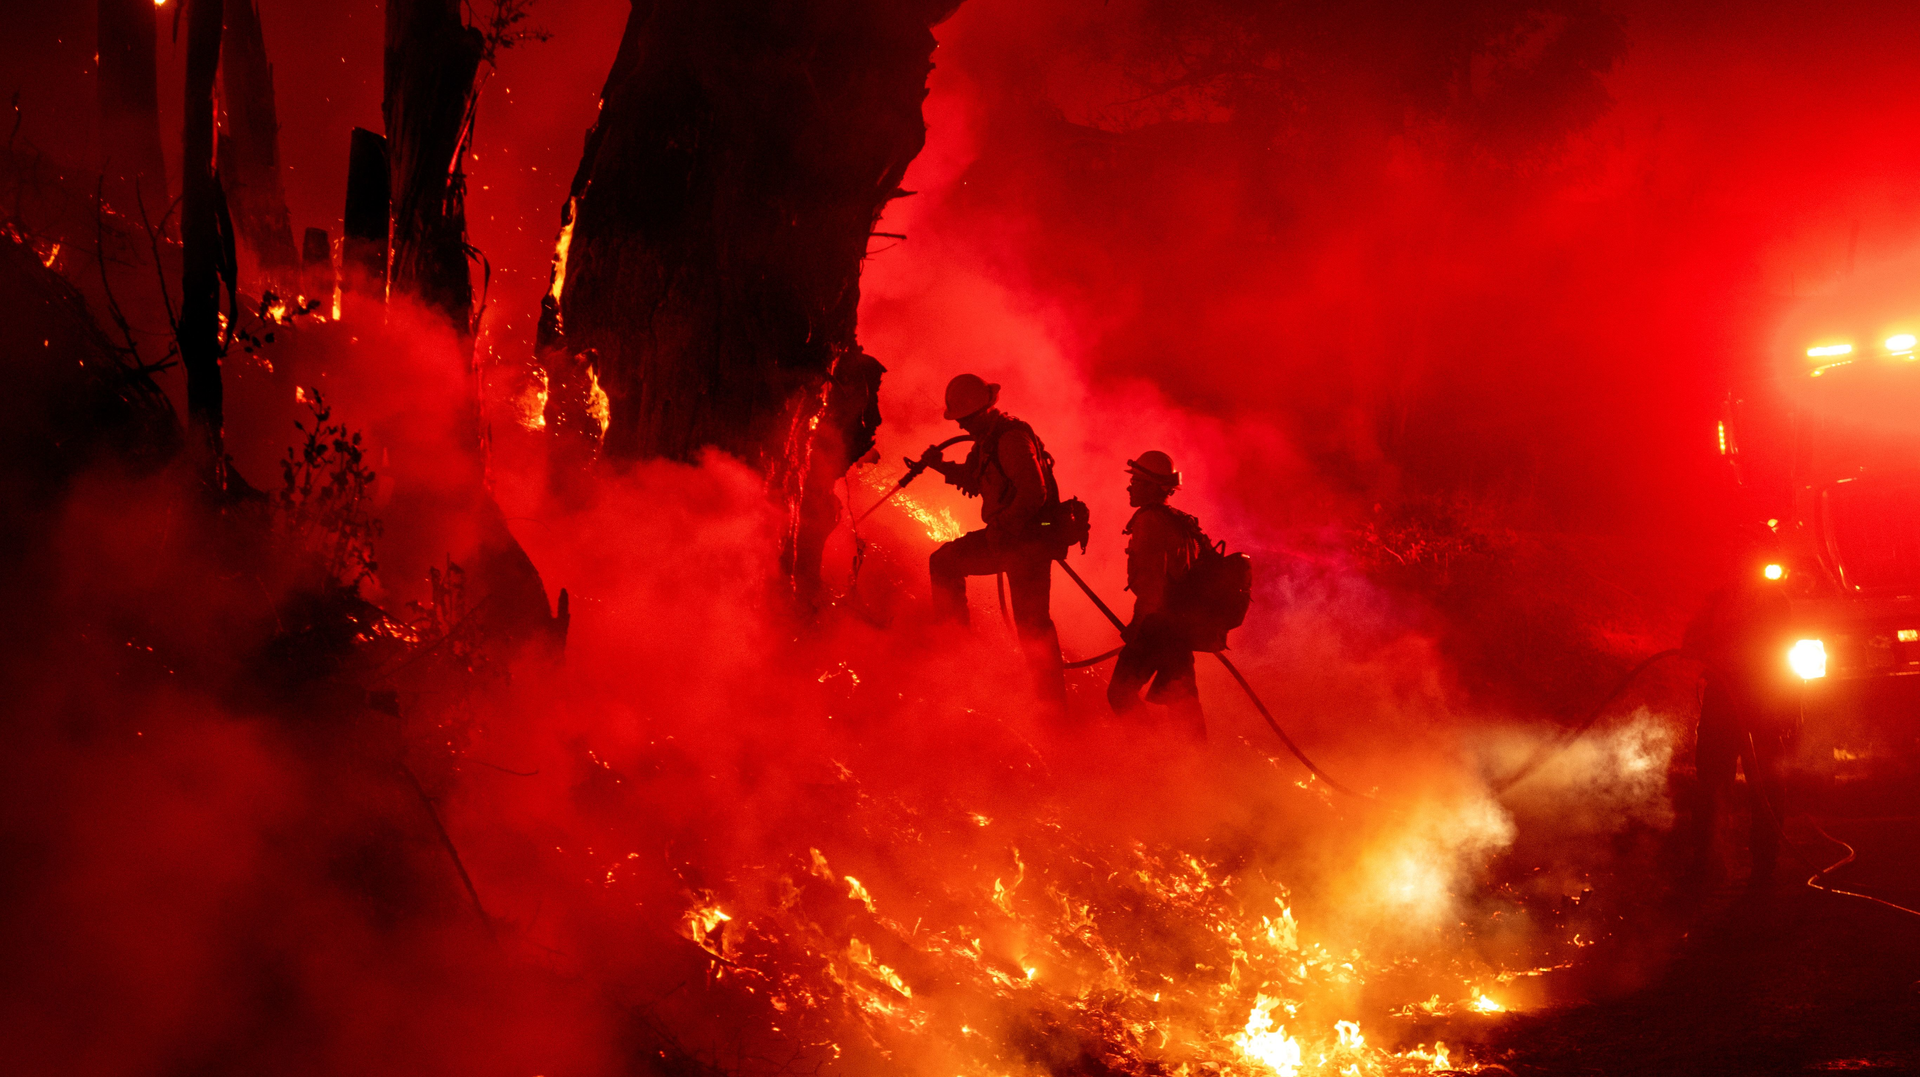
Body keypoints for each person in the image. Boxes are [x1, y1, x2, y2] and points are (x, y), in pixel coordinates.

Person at [921, 375, 1068, 712]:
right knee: (944, 562)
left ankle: (1054, 714)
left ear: (982, 412)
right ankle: (955, 651)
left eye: (963, 418)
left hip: (1027, 546)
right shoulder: (988, 441)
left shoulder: (1012, 439)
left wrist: (1003, 524)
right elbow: (976, 481)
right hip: (1008, 543)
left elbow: (1035, 492)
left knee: (1033, 627)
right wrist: (939, 466)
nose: (959, 424)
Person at [1682, 563, 1800, 889]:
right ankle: (1706, 863)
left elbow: (1781, 650)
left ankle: (1763, 866)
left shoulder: (1776, 602)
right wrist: (1702, 641)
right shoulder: (1718, 599)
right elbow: (1691, 638)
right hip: (1723, 697)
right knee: (1710, 783)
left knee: (1765, 786)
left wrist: (1786, 705)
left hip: (1760, 699)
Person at [1106, 451, 1206, 739]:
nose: (1130, 486)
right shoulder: (1180, 521)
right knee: (1182, 701)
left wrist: (1138, 627)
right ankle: (1197, 768)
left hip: (1157, 626)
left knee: (1120, 694)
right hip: (1180, 627)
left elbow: (1152, 584)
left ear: (1152, 486)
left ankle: (1151, 756)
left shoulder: (1150, 521)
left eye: (1136, 481)